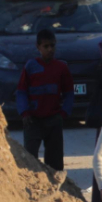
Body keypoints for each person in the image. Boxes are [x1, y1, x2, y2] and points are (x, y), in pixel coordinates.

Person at [17, 29, 75, 171]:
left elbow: (68, 92)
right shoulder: (31, 66)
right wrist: (24, 112)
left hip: (53, 120)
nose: (50, 49)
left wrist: (63, 113)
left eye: (52, 46)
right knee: (29, 161)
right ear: (38, 47)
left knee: (55, 162)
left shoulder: (61, 67)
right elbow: (21, 91)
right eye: (46, 46)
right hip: (33, 120)